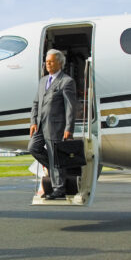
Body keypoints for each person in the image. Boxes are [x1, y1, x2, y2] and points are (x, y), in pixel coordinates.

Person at [28, 49, 78, 200]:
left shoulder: (67, 81)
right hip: (40, 125)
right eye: (46, 62)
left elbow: (71, 107)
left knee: (55, 154)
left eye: (51, 61)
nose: (47, 64)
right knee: (33, 148)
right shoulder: (43, 81)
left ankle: (59, 188)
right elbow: (36, 103)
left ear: (60, 63)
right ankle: (52, 167)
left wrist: (69, 128)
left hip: (56, 126)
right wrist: (33, 121)